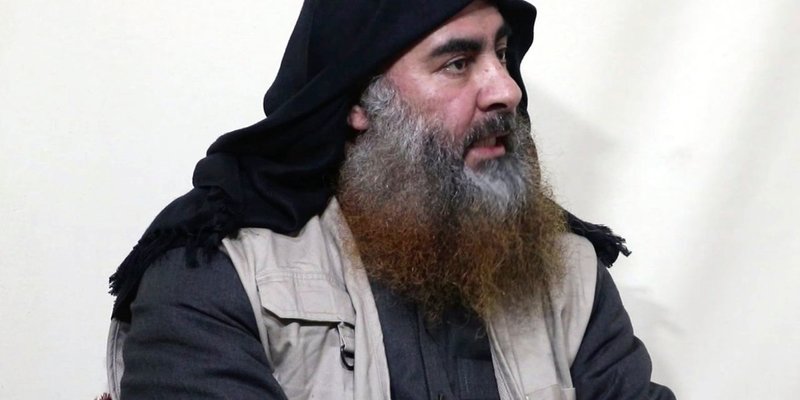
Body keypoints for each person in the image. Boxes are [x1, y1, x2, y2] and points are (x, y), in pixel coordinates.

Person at [104, 0, 676, 399]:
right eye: (457, 63)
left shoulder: (567, 270)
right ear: (360, 99)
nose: (506, 89)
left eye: (502, 53)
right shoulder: (215, 277)